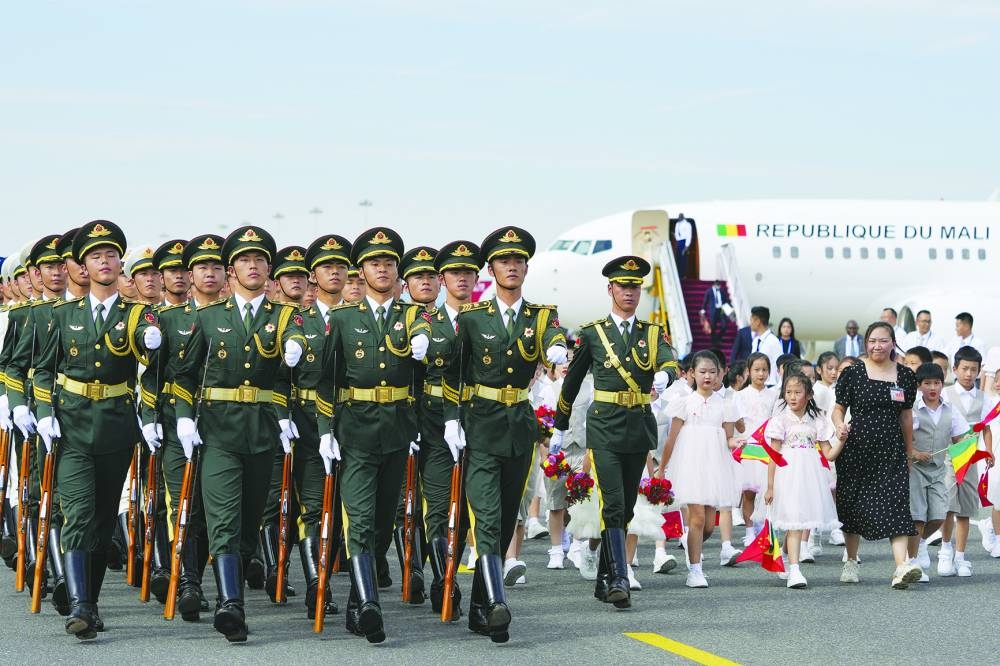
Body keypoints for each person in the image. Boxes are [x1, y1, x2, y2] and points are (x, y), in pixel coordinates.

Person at [171, 226, 306, 642]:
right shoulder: (208, 318)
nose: (253, 266)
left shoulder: (284, 316)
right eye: (245, 260)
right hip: (219, 431)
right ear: (233, 271)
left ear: (269, 270)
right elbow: (184, 375)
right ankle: (231, 604)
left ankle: (235, 587)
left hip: (262, 431)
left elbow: (294, 345)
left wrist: (283, 405)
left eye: (260, 260)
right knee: (224, 519)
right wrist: (183, 417)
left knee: (250, 523)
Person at [30, 220, 159, 639]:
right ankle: (81, 607)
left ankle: (90, 599)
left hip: (117, 426)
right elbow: (41, 370)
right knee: (80, 513)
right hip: (71, 425)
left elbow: (143, 342)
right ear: (81, 267)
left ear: (120, 263)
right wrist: (43, 410)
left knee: (103, 519)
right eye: (95, 256)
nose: (104, 262)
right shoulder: (61, 315)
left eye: (110, 255)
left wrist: (150, 336)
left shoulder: (135, 312)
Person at [442, 226, 567, 643]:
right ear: (491, 269)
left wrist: (556, 349)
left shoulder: (540, 316)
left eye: (518, 261)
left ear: (526, 268)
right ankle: (497, 604)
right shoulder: (473, 318)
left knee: (506, 514)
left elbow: (551, 336)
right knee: (488, 518)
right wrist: (451, 419)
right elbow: (452, 373)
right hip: (480, 424)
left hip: (518, 426)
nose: (511, 267)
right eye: (503, 261)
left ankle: (481, 608)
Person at [314, 227, 430, 644]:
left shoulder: (414, 316)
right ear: (360, 272)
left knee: (383, 524)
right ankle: (368, 605)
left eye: (389, 263)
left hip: (398, 429)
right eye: (374, 263)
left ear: (398, 272)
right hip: (357, 429)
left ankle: (355, 601)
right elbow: (325, 381)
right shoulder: (344, 319)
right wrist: (326, 430)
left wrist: (418, 422)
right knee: (359, 520)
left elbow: (424, 377)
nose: (382, 269)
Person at [550, 255, 677, 609]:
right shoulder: (593, 333)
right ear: (610, 289)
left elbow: (668, 360)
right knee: (613, 501)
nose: (629, 292)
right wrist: (559, 427)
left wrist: (665, 376)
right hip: (604, 425)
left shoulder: (652, 333)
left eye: (635, 287)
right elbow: (572, 383)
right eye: (623, 286)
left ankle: (605, 576)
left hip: (637, 424)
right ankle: (620, 577)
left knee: (625, 511)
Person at [139, 234, 226, 622]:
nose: (209, 274)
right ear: (190, 275)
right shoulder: (171, 320)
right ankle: (188, 581)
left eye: (215, 267)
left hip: (224, 427)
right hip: (177, 424)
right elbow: (151, 379)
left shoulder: (231, 318)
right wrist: (148, 418)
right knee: (182, 503)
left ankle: (197, 575)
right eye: (201, 267)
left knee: (211, 508)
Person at [830, 321, 922, 589]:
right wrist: (839, 425)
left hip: (892, 451)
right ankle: (850, 560)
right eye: (872, 341)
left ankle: (900, 567)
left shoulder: (904, 376)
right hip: (857, 448)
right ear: (865, 343)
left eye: (883, 340)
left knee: (896, 505)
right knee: (853, 505)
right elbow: (838, 409)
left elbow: (906, 416)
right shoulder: (854, 374)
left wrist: (908, 452)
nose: (877, 346)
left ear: (893, 343)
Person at [417, 240, 481, 618]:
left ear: (475, 277)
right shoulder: (421, 321)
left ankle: (453, 574)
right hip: (433, 421)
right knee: (438, 507)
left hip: (478, 420)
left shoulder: (487, 318)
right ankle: (444, 579)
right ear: (442, 279)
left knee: (474, 510)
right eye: (454, 273)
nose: (461, 278)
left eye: (467, 272)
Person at [656, 350, 739, 588]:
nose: (708, 377)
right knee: (698, 518)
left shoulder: (725, 405)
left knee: (709, 525)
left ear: (720, 375)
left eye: (713, 372)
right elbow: (672, 439)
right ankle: (695, 570)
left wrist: (737, 442)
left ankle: (690, 542)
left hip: (715, 465)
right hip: (690, 464)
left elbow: (728, 438)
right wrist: (662, 468)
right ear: (692, 373)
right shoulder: (683, 402)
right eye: (702, 372)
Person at [259, 245, 311, 602]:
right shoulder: (269, 320)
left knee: (310, 503)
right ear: (276, 281)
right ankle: (275, 568)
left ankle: (314, 582)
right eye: (289, 276)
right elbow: (268, 377)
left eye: (301, 276)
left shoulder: (316, 320)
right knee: (273, 501)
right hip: (274, 420)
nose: (296, 281)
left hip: (312, 420)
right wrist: (280, 415)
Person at [763, 373, 841, 589]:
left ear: (808, 395)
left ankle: (789, 560)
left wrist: (841, 440)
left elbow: (828, 454)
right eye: (788, 392)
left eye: (797, 392)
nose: (792, 397)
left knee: (798, 520)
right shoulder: (780, 420)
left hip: (810, 474)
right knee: (794, 521)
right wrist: (770, 486)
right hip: (786, 474)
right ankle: (795, 571)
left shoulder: (817, 420)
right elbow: (773, 455)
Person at [907, 362, 968, 583]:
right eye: (927, 383)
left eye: (937, 383)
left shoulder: (950, 411)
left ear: (943, 384)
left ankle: (920, 543)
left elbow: (960, 438)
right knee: (918, 517)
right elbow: (900, 440)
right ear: (919, 386)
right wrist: (914, 452)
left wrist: (966, 442)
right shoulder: (911, 410)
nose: (932, 387)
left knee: (939, 516)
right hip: (914, 470)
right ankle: (912, 562)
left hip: (938, 471)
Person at [937, 346, 989, 577]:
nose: (969, 373)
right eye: (964, 368)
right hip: (949, 457)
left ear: (979, 372)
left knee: (965, 509)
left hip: (970, 460)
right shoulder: (945, 394)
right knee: (948, 506)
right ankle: (945, 552)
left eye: (973, 369)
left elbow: (985, 427)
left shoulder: (982, 397)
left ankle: (960, 556)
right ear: (955, 369)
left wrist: (988, 452)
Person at [734, 353, 777, 546]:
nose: (761, 374)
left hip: (768, 447)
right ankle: (750, 530)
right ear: (748, 372)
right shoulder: (740, 395)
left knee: (767, 491)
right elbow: (738, 423)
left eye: (764, 370)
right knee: (749, 492)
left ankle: (765, 529)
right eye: (757, 370)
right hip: (750, 446)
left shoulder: (774, 394)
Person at [747, 306, 781, 387]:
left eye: (751, 320)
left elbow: (780, 366)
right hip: (756, 385)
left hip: (770, 385)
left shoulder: (773, 341)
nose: (750, 323)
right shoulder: (755, 341)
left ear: (758, 321)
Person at [700, 280, 731, 348]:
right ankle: (714, 342)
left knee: (724, 326)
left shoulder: (722, 291)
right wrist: (703, 310)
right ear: (714, 285)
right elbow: (705, 301)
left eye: (719, 285)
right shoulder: (709, 291)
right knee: (713, 327)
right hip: (713, 311)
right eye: (717, 285)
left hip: (721, 310)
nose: (718, 287)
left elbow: (726, 300)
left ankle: (718, 337)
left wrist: (730, 310)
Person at [673, 214, 692, 279]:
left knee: (683, 260)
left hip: (684, 242)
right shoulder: (677, 224)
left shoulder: (687, 224)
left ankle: (683, 275)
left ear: (683, 217)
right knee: (677, 259)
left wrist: (686, 246)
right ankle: (678, 274)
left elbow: (689, 235)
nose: (679, 218)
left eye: (680, 217)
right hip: (678, 242)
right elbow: (676, 233)